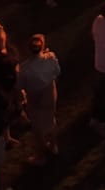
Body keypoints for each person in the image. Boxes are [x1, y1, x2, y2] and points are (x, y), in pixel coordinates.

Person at [19, 33, 62, 165]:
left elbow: (21, 85)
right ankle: (53, 146)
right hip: (50, 94)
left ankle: (40, 156)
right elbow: (57, 72)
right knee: (50, 120)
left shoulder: (25, 67)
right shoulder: (51, 58)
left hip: (35, 98)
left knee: (37, 128)